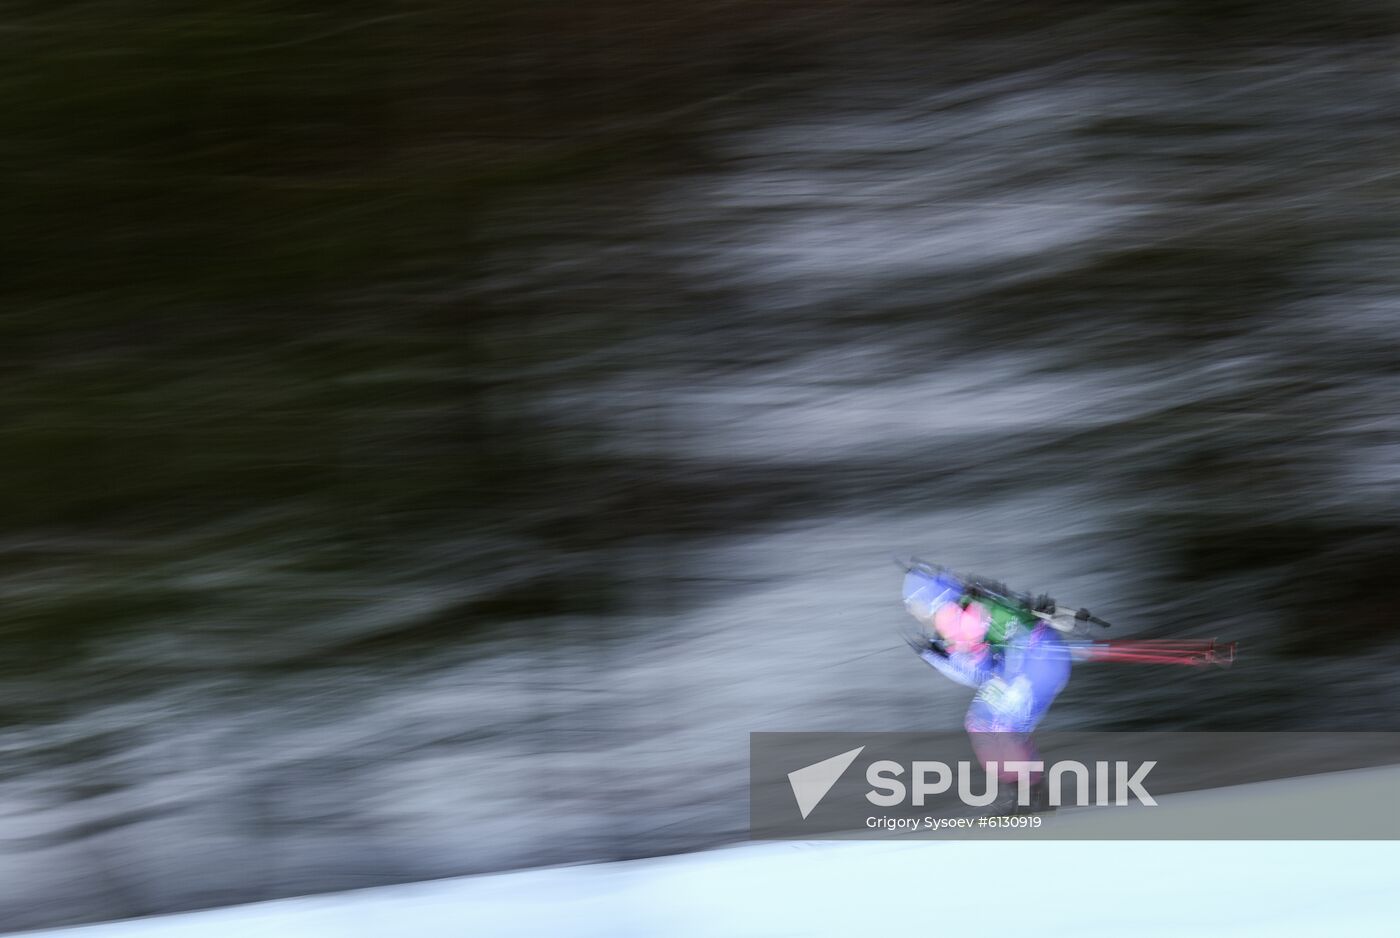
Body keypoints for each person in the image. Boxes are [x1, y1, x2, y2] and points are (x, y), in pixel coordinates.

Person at [901, 564, 1071, 807]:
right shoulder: (953, 614)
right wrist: (940, 657)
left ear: (928, 600)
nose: (910, 611)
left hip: (1036, 663)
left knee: (998, 724)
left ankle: (1029, 796)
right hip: (1029, 661)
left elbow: (981, 672)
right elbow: (984, 671)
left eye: (911, 603)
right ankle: (1025, 794)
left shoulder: (950, 618)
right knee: (981, 722)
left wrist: (938, 658)